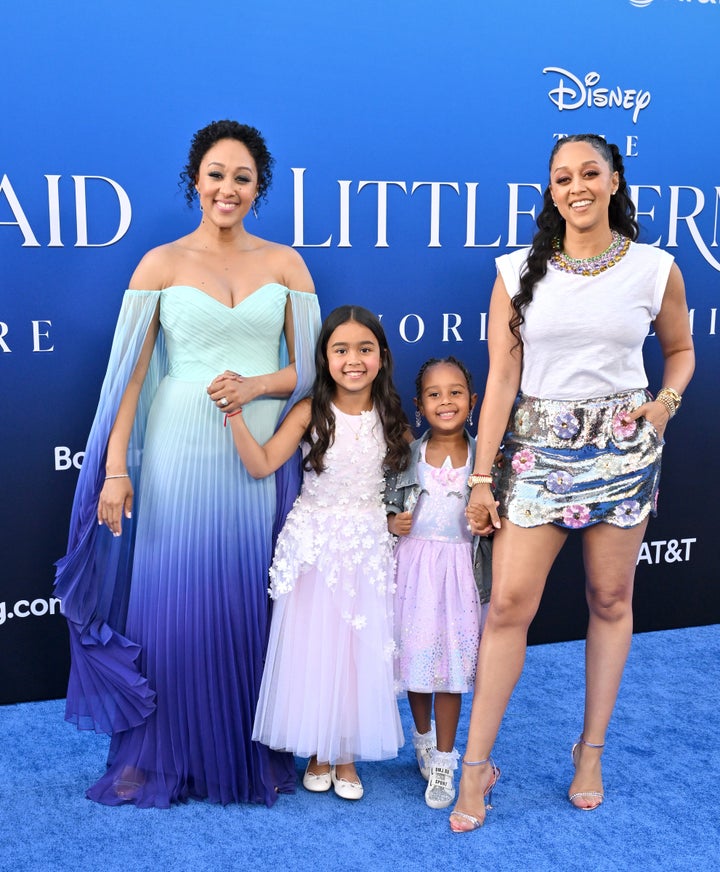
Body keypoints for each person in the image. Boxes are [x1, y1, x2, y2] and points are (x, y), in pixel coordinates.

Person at [54, 120, 321, 808]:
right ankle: (160, 752)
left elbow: (315, 373)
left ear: (258, 188)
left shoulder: (287, 264)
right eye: (215, 175)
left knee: (246, 595)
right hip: (176, 449)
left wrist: (255, 386)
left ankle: (243, 749)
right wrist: (117, 470)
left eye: (242, 177)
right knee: (172, 602)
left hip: (258, 452)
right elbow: (129, 380)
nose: (227, 188)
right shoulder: (159, 265)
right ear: (194, 181)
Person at [449, 133, 695, 832]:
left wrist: (663, 406)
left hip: (624, 453)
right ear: (550, 190)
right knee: (507, 608)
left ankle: (590, 752)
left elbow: (680, 353)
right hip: (534, 457)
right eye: (562, 177)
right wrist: (479, 478)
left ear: (615, 180)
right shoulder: (516, 270)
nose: (576, 186)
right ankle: (477, 766)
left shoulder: (654, 269)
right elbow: (500, 379)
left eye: (590, 172)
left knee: (611, 599)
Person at [226, 305, 410, 801]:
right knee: (315, 644)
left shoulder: (391, 415)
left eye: (365, 349)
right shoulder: (311, 411)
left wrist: (400, 516)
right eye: (341, 350)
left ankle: (346, 752)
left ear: (382, 356)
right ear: (324, 358)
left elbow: (411, 477)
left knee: (355, 649)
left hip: (368, 544)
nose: (354, 360)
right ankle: (318, 752)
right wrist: (236, 418)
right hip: (313, 544)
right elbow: (263, 464)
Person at [385, 356, 491, 810]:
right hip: (412, 572)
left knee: (450, 670)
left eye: (455, 392)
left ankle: (446, 760)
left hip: (461, 575)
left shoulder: (486, 460)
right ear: (418, 405)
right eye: (434, 394)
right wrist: (392, 521)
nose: (445, 401)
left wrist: (486, 521)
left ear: (473, 400)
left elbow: (499, 518)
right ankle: (423, 739)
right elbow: (384, 503)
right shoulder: (406, 457)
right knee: (417, 662)